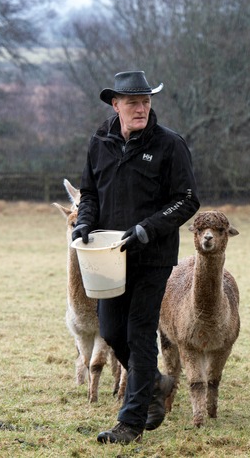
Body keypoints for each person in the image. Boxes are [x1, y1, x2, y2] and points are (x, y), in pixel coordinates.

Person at [72, 70, 200, 444]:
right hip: (108, 258)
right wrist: (84, 222)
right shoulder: (99, 142)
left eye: (146, 101)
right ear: (116, 105)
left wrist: (149, 227)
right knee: (111, 331)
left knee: (139, 332)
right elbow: (89, 192)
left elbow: (188, 199)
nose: (141, 108)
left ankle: (131, 421)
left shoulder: (169, 145)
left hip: (153, 256)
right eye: (133, 102)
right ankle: (155, 382)